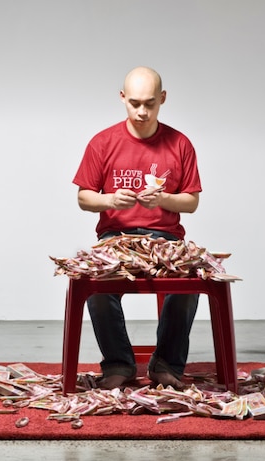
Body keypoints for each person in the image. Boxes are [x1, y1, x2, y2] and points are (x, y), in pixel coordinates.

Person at [72, 66, 202, 390]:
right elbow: (84, 198)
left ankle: (166, 363)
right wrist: (112, 201)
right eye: (134, 103)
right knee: (96, 285)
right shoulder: (103, 142)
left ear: (163, 99)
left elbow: (191, 202)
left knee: (188, 282)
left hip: (166, 239)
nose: (142, 112)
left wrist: (163, 200)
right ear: (122, 99)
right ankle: (119, 363)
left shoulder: (180, 143)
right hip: (115, 237)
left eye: (149, 103)